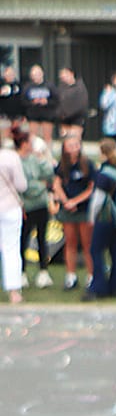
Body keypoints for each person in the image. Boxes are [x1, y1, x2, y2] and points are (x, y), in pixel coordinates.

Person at [86, 137, 116, 301]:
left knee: (95, 251)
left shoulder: (104, 173)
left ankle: (98, 287)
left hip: (105, 217)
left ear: (103, 153)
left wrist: (91, 218)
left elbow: (97, 201)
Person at [50, 131, 94, 291]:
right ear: (65, 148)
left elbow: (91, 188)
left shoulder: (87, 164)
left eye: (76, 145)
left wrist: (76, 201)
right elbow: (56, 184)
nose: (74, 148)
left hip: (83, 209)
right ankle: (71, 276)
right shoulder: (61, 166)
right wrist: (66, 201)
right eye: (71, 146)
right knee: (70, 242)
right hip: (68, 209)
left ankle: (91, 276)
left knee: (87, 243)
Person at [14, 126, 51, 287]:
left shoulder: (35, 159)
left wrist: (42, 158)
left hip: (41, 205)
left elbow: (48, 174)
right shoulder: (15, 161)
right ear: (23, 143)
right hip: (25, 206)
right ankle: (21, 273)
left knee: (43, 238)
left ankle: (43, 272)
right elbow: (24, 185)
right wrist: (39, 186)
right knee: (23, 239)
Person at [0, 123, 25, 303]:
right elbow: (21, 185)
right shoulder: (10, 157)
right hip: (9, 205)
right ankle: (14, 291)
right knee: (11, 248)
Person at [54, 65, 89, 139]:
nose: (62, 77)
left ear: (71, 74)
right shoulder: (61, 88)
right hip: (63, 119)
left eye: (65, 74)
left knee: (75, 138)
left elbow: (81, 104)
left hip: (76, 118)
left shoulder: (80, 87)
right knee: (65, 138)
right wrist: (59, 114)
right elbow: (58, 102)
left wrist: (68, 113)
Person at [24, 63, 53, 146]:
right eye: (34, 75)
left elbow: (56, 100)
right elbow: (23, 101)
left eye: (38, 74)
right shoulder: (28, 87)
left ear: (42, 74)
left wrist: (47, 102)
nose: (36, 76)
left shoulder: (49, 86)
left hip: (47, 116)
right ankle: (34, 154)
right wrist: (32, 102)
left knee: (47, 138)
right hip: (33, 116)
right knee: (33, 138)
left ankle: (48, 154)